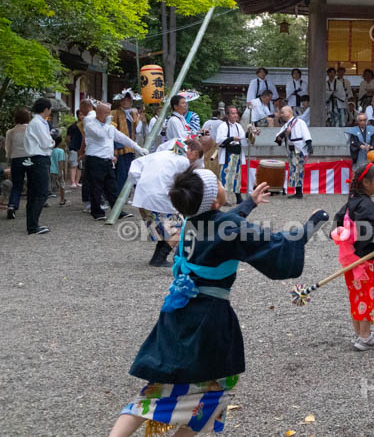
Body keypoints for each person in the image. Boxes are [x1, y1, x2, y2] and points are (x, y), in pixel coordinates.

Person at [109, 170, 327, 437]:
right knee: (212, 394)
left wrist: (249, 203)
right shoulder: (225, 228)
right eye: (219, 185)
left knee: (160, 388)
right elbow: (273, 243)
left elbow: (224, 224)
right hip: (206, 321)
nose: (223, 186)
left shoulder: (191, 220)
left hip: (178, 313)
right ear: (214, 202)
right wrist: (312, 224)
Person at [331, 162, 374, 350]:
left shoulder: (352, 201)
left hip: (349, 259)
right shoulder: (366, 206)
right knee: (365, 297)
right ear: (366, 182)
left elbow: (338, 223)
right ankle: (365, 337)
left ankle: (359, 334)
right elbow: (368, 230)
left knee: (356, 296)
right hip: (363, 261)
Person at [129, 136, 211, 267]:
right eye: (195, 158)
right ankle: (159, 259)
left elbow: (135, 168)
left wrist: (141, 184)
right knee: (181, 229)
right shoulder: (183, 161)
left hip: (143, 197)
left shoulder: (160, 154)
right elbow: (186, 185)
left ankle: (156, 258)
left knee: (165, 229)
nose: (193, 161)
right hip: (159, 198)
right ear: (191, 151)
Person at [84, 102, 147, 221]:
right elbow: (101, 135)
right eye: (106, 113)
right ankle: (97, 212)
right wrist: (108, 123)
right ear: (99, 113)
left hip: (107, 160)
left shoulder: (110, 126)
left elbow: (122, 138)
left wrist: (138, 148)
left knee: (112, 187)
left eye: (108, 113)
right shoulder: (90, 124)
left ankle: (117, 210)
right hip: (95, 160)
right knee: (96, 187)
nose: (108, 115)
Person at [24, 98, 56, 235]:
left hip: (34, 158)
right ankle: (33, 225)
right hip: (39, 158)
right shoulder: (38, 123)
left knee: (33, 192)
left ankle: (32, 224)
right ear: (46, 109)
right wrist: (52, 141)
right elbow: (46, 143)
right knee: (41, 192)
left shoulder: (37, 122)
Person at [276, 105, 312, 199]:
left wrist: (309, 145)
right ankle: (298, 191)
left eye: (283, 112)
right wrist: (285, 133)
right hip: (291, 149)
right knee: (294, 169)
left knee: (297, 169)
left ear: (290, 112)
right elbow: (278, 138)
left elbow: (306, 134)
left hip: (298, 149)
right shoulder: (286, 125)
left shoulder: (300, 122)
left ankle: (299, 192)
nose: (281, 114)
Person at [216, 106, 248, 205]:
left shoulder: (238, 126)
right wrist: (232, 138)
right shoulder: (223, 126)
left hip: (237, 154)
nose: (235, 115)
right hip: (228, 154)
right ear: (227, 115)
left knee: (236, 176)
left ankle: (238, 197)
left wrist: (250, 134)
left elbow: (242, 137)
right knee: (226, 176)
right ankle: (224, 198)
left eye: (236, 113)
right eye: (232, 113)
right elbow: (219, 140)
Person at [4, 107, 30, 220]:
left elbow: (8, 148)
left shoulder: (10, 132)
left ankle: (12, 206)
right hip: (30, 158)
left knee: (17, 185)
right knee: (32, 182)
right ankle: (33, 206)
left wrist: (9, 159)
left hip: (16, 159)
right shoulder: (30, 129)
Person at [111, 91, 139, 193]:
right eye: (124, 100)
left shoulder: (133, 114)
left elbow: (138, 129)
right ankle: (119, 195)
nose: (126, 102)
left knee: (130, 172)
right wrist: (115, 149)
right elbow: (112, 132)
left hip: (131, 147)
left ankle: (126, 194)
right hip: (120, 148)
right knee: (120, 174)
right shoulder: (114, 113)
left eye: (129, 100)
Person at [67, 106, 85, 189]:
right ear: (77, 115)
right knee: (73, 165)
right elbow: (68, 138)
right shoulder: (73, 126)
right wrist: (70, 145)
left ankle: (77, 182)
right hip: (74, 148)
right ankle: (73, 182)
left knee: (80, 166)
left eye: (83, 114)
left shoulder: (86, 125)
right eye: (80, 114)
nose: (82, 116)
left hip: (82, 149)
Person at [49, 132, 66, 207]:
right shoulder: (60, 151)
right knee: (62, 185)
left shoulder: (49, 150)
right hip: (57, 171)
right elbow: (61, 162)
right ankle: (62, 200)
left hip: (49, 171)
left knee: (48, 186)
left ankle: (45, 201)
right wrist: (60, 172)